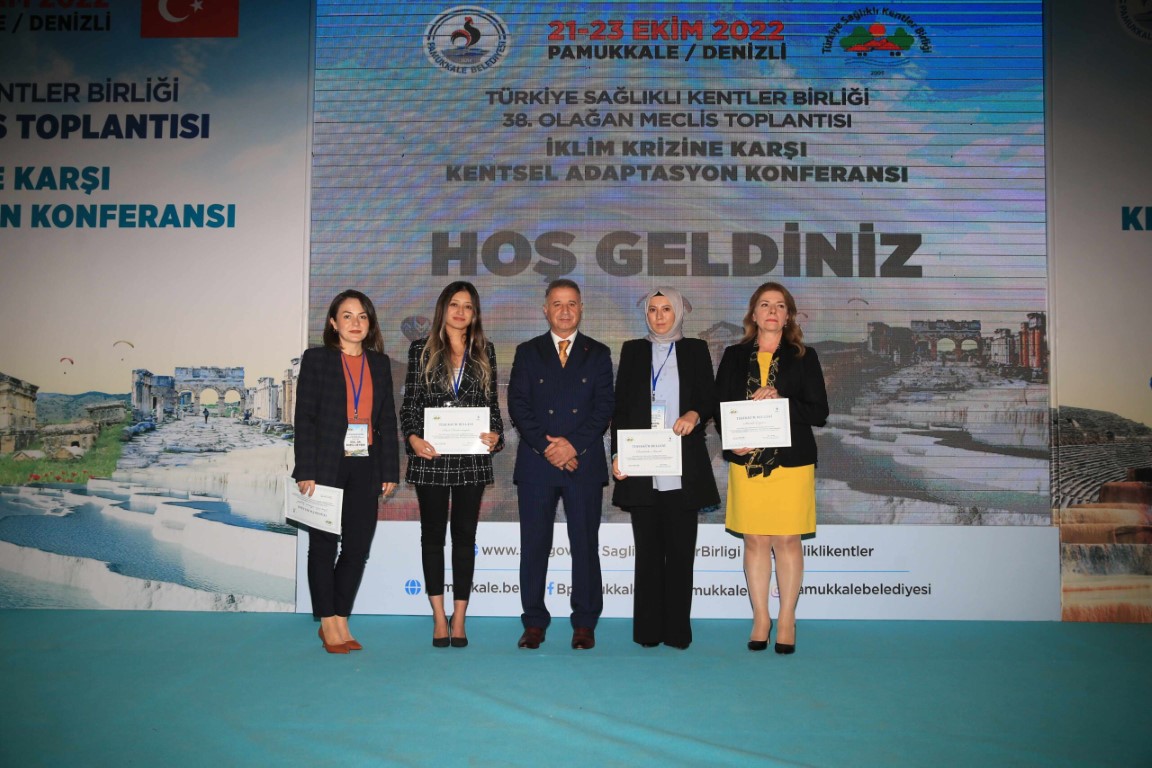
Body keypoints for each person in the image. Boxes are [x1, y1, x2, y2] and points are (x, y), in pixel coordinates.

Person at [715, 282, 828, 655]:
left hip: (791, 463)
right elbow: (720, 408)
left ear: (788, 315)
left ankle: (787, 619)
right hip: (748, 462)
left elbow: (819, 411)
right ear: (754, 313)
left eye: (780, 305)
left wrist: (782, 400)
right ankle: (761, 618)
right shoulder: (733, 355)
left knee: (787, 540)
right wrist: (731, 440)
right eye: (765, 304)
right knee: (755, 540)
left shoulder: (804, 356)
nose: (772, 311)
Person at [507, 279, 614, 650]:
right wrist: (546, 447)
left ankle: (584, 622)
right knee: (534, 545)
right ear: (545, 309)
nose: (565, 311)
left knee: (584, 545)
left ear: (581, 308)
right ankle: (534, 622)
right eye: (557, 303)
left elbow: (604, 407)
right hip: (537, 464)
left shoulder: (598, 353)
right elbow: (518, 404)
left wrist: (572, 446)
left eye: (571, 303)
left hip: (582, 463)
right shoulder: (527, 351)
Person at [610, 288, 719, 650]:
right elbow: (621, 409)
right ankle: (647, 631)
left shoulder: (695, 350)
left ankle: (677, 632)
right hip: (642, 466)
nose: (659, 316)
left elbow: (709, 398)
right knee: (648, 555)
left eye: (666, 309)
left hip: (683, 467)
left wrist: (695, 413)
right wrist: (618, 454)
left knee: (681, 554)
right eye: (653, 310)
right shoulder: (632, 350)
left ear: (679, 313)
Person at [292, 289, 399, 654]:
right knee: (323, 546)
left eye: (362, 316)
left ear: (370, 324)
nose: (356, 323)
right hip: (325, 464)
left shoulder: (379, 364)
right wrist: (305, 469)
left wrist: (389, 469)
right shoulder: (317, 359)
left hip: (366, 463)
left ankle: (341, 617)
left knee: (356, 547)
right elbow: (304, 417)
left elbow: (386, 420)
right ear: (334, 323)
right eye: (348, 316)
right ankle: (328, 623)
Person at [400, 281, 504, 649]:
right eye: (455, 305)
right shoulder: (421, 349)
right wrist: (413, 438)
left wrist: (496, 435)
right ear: (443, 308)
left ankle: (459, 617)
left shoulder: (485, 351)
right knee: (432, 537)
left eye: (468, 306)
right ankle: (437, 615)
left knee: (464, 538)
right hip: (431, 456)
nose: (461, 312)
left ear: (475, 314)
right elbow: (410, 404)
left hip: (471, 459)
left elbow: (492, 406)